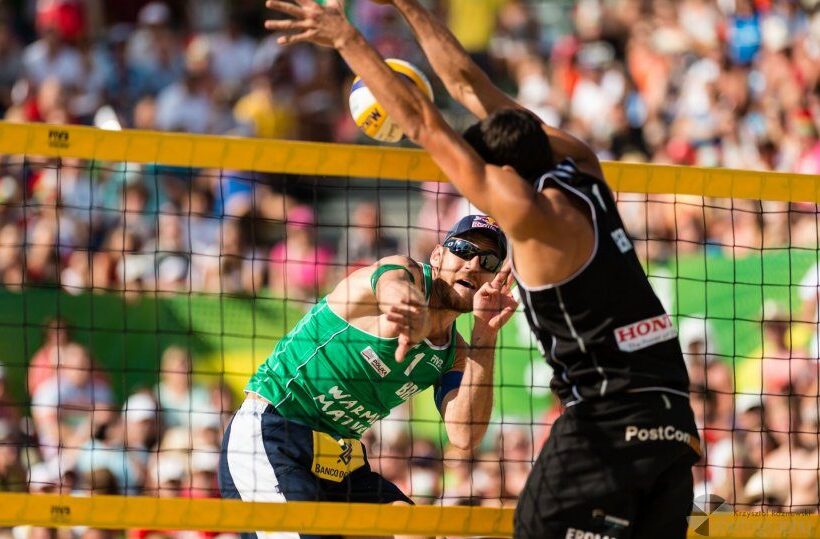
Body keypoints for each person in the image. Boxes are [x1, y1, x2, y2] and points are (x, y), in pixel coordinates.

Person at [262, 1, 700, 537]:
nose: (477, 261)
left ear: (507, 175)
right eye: (465, 251)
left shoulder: (527, 215)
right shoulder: (581, 165)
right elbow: (469, 83)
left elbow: (423, 121)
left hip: (606, 419)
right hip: (675, 416)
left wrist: (348, 38)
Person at [218, 214, 516, 533]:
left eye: (487, 260)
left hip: (340, 458)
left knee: (416, 529)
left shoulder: (454, 352)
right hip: (273, 434)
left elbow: (464, 435)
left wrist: (485, 334)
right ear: (438, 255)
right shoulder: (406, 274)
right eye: (462, 249)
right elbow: (389, 283)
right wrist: (408, 309)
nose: (473, 265)